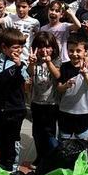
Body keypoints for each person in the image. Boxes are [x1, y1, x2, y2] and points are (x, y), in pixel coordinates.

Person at [0, 28, 28, 174]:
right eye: (16, 47)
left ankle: (12, 166)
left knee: (12, 139)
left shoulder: (22, 64)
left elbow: (23, 80)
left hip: (16, 108)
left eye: (21, 47)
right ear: (4, 47)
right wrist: (14, 68)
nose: (19, 50)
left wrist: (19, 67)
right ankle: (4, 161)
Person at [28, 31, 61, 166]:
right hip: (36, 102)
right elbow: (30, 74)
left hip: (52, 103)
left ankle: (51, 157)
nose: (44, 50)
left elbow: (57, 75)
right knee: (37, 132)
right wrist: (31, 64)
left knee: (50, 132)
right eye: (40, 47)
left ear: (53, 48)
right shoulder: (34, 61)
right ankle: (40, 156)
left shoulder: (56, 60)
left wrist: (48, 62)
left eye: (47, 47)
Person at [57, 32, 88, 142]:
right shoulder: (64, 67)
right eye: (71, 50)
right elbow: (59, 88)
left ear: (86, 52)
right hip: (65, 110)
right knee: (64, 140)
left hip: (83, 111)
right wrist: (66, 85)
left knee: (82, 141)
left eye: (78, 51)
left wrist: (85, 74)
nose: (74, 54)